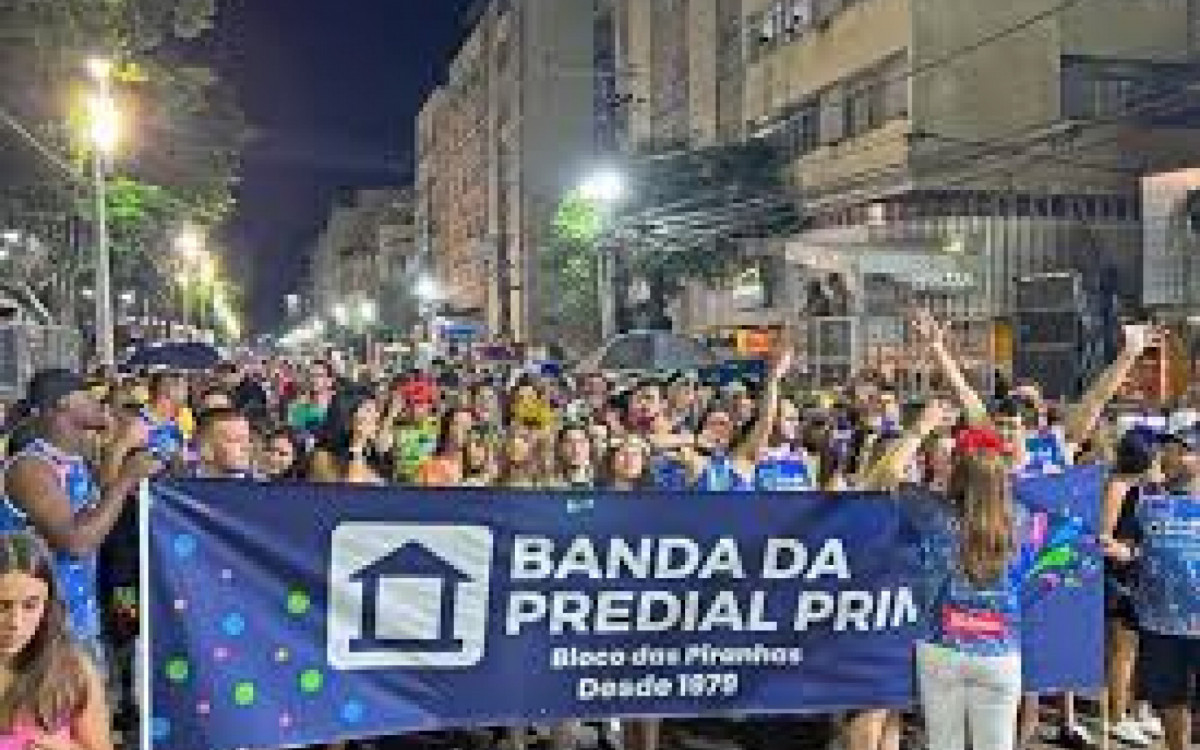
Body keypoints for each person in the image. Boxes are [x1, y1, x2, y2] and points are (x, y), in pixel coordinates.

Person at [0, 370, 159, 662]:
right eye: (88, 396)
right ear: (64, 403)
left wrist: (120, 448)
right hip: (38, 634)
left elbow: (99, 514)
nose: (100, 403)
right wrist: (126, 479)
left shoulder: (74, 460)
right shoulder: (32, 468)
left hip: (79, 622)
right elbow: (76, 543)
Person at [1103, 427, 1199, 750]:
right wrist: (1118, 550)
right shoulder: (1146, 501)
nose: (1171, 457)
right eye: (1168, 450)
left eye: (1182, 451)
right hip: (1161, 628)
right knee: (1172, 707)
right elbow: (1131, 547)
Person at [0, 531, 113, 750]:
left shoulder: (74, 670)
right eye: (3, 606)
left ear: (48, 606)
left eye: (30, 605)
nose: (15, 622)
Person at [310, 387, 386, 485]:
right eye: (369, 410)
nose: (376, 416)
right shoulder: (323, 457)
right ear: (349, 418)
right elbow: (351, 490)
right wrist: (357, 443)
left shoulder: (370, 454)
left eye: (376, 411)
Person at [191, 408, 257, 480]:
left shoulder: (259, 482)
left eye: (245, 439)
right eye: (230, 440)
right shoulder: (187, 482)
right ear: (207, 444)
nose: (244, 447)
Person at [416, 408, 475, 487]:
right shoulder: (432, 465)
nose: (465, 429)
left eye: (468, 426)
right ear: (447, 427)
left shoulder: (474, 463)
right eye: (458, 424)